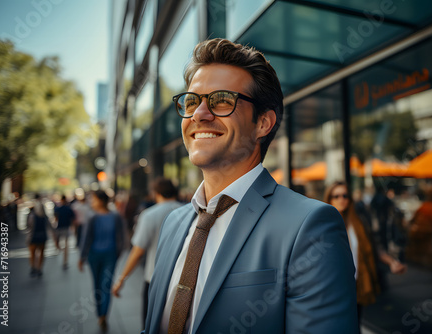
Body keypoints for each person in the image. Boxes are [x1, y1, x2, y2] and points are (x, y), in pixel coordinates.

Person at [143, 38, 357, 334]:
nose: (199, 114)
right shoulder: (173, 223)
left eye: (221, 100)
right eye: (192, 101)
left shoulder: (311, 226)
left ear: (263, 123)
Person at [324, 181, 406, 327]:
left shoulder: (358, 222)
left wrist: (392, 262)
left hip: (357, 284)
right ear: (329, 199)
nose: (341, 199)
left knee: (355, 324)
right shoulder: (324, 225)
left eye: (345, 195)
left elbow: (373, 249)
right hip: (335, 287)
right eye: (336, 196)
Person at [112, 177, 183, 324]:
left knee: (151, 324)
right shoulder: (190, 211)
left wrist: (121, 279)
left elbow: (138, 251)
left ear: (156, 193)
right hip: (184, 280)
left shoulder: (150, 215)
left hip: (155, 279)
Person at [79, 190, 126, 332]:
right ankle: (102, 315)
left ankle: (102, 315)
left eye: (93, 199)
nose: (91, 202)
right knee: (102, 286)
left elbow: (86, 238)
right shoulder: (96, 216)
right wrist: (83, 256)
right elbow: (87, 237)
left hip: (104, 255)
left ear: (101, 200)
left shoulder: (112, 216)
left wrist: (82, 257)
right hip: (102, 256)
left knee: (101, 286)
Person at [26, 193, 53, 277]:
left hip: (33, 236)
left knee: (33, 253)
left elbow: (28, 226)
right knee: (41, 252)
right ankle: (39, 268)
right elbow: (50, 226)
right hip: (42, 236)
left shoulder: (32, 215)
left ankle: (33, 267)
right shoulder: (44, 217)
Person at [54, 195, 76, 269]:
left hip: (62, 227)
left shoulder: (61, 209)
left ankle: (64, 260)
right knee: (65, 245)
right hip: (63, 228)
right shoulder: (66, 209)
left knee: (63, 244)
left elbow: (55, 218)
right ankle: (65, 260)